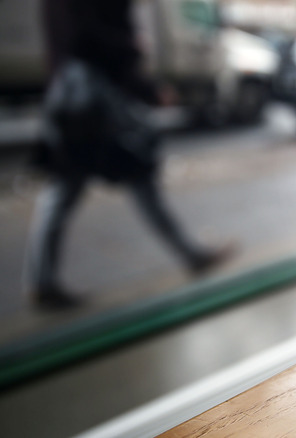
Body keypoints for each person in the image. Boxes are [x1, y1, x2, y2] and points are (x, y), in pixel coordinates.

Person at [27, 0, 232, 309]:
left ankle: (42, 281)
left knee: (67, 189)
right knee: (132, 175)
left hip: (73, 97)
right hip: (95, 104)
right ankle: (190, 254)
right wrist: (141, 74)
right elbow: (97, 42)